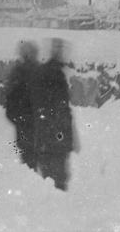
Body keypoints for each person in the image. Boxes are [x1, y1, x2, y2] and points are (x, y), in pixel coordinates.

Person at [31, 38, 79, 190]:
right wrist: (63, 133)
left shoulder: (47, 71)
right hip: (55, 136)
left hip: (47, 136)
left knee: (50, 178)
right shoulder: (55, 74)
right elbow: (58, 108)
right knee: (57, 179)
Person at [3, 40, 39, 169]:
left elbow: (9, 107)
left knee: (29, 167)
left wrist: (20, 120)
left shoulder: (16, 74)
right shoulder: (41, 72)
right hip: (41, 131)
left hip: (24, 131)